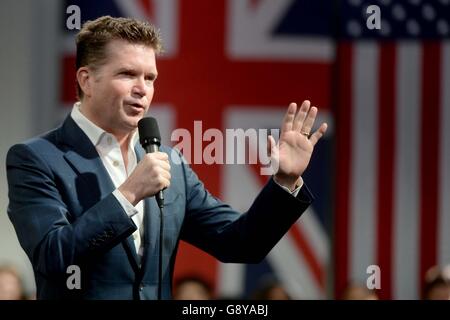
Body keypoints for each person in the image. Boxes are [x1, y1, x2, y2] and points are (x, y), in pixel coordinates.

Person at [6, 16, 327, 300]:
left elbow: (241, 243)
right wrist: (128, 194)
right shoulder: (37, 159)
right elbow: (53, 257)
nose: (142, 89)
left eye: (150, 78)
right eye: (128, 74)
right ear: (86, 80)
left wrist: (284, 181)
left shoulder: (168, 161)